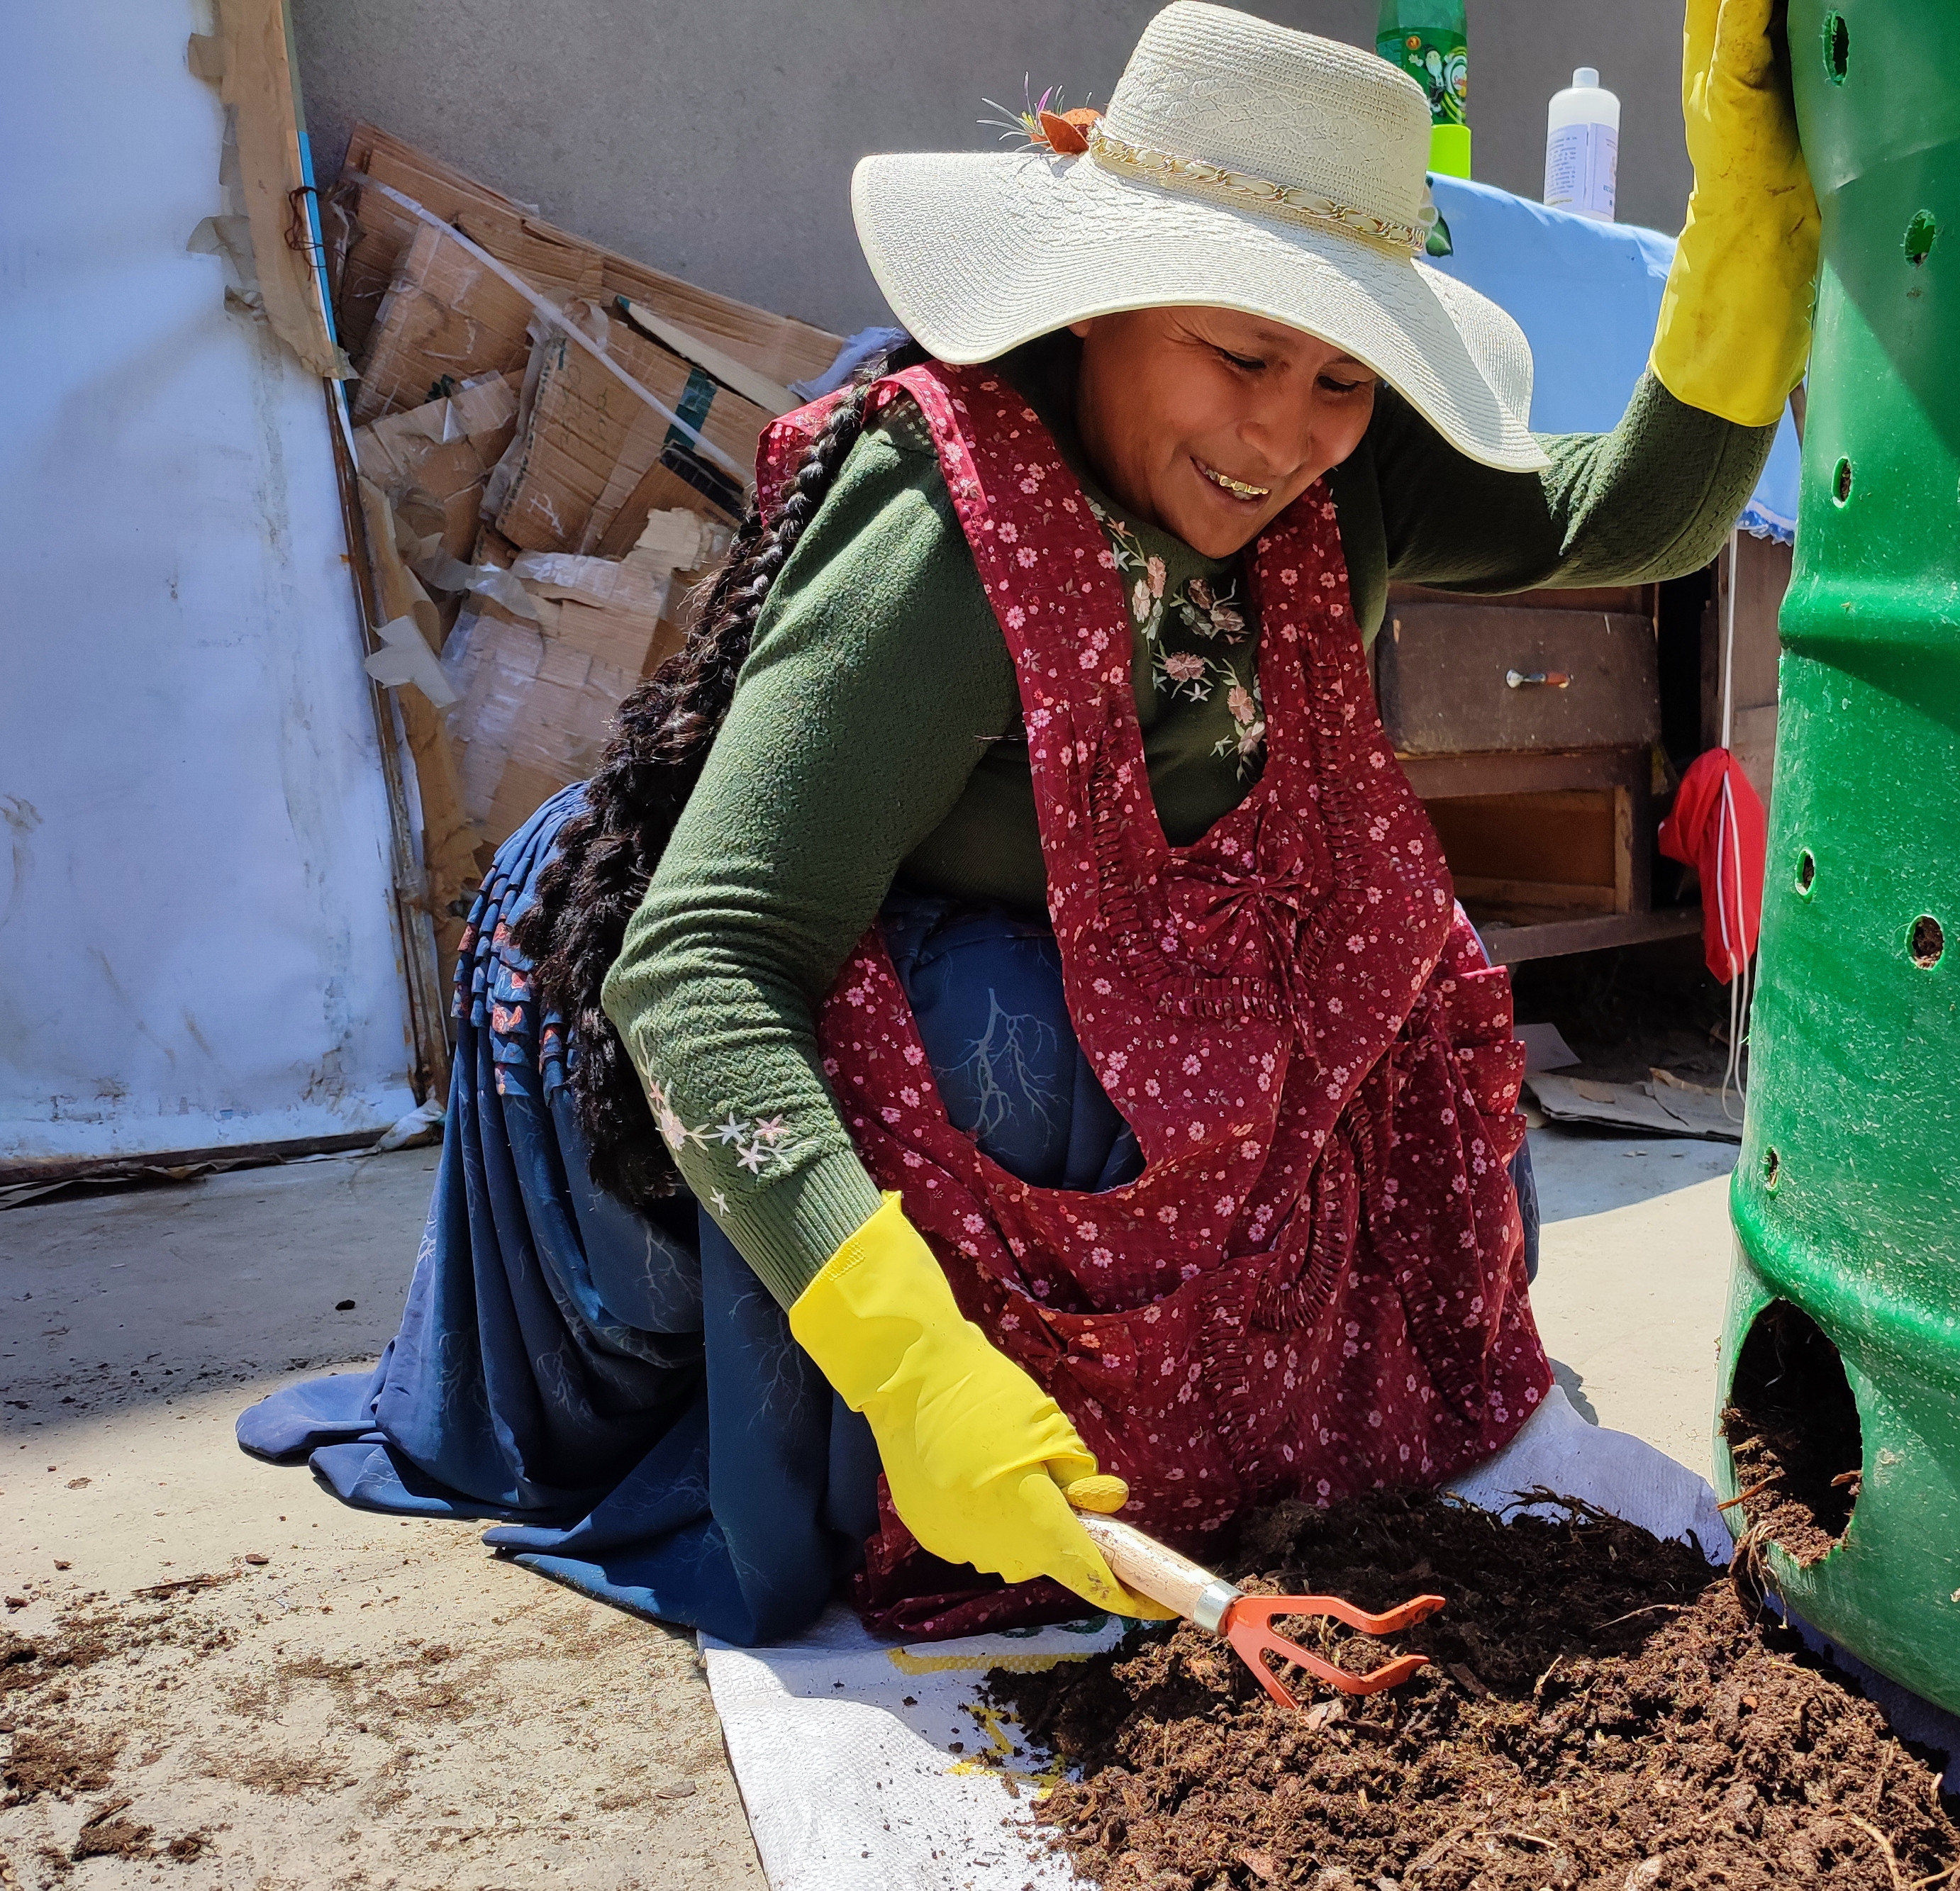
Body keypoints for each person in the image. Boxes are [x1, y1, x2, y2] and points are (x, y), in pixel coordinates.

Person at [242, 0, 1817, 1644]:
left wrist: (1745, 237)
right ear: (1100, 303)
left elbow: (1633, 510)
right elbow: (702, 962)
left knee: (1387, 1012)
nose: (1281, 433)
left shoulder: (1346, 472)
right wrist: (911, 1361)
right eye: (1238, 353)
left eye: (1343, 375)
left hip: (1120, 963)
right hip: (745, 985)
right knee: (1040, 1042)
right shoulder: (949, 521)